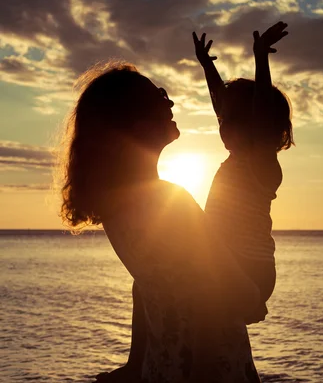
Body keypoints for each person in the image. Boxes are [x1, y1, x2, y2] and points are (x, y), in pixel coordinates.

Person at [58, 62, 262, 382]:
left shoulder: (115, 209)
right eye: (159, 97)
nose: (170, 103)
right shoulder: (171, 203)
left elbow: (146, 284)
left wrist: (134, 363)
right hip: (211, 365)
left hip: (162, 366)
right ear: (133, 123)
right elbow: (214, 291)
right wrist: (250, 294)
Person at [193, 21, 293, 324]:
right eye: (223, 120)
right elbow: (221, 103)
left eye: (230, 121)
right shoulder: (239, 158)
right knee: (149, 286)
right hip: (228, 265)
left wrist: (261, 57)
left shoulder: (260, 162)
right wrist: (206, 66)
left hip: (249, 268)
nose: (222, 125)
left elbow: (260, 111)